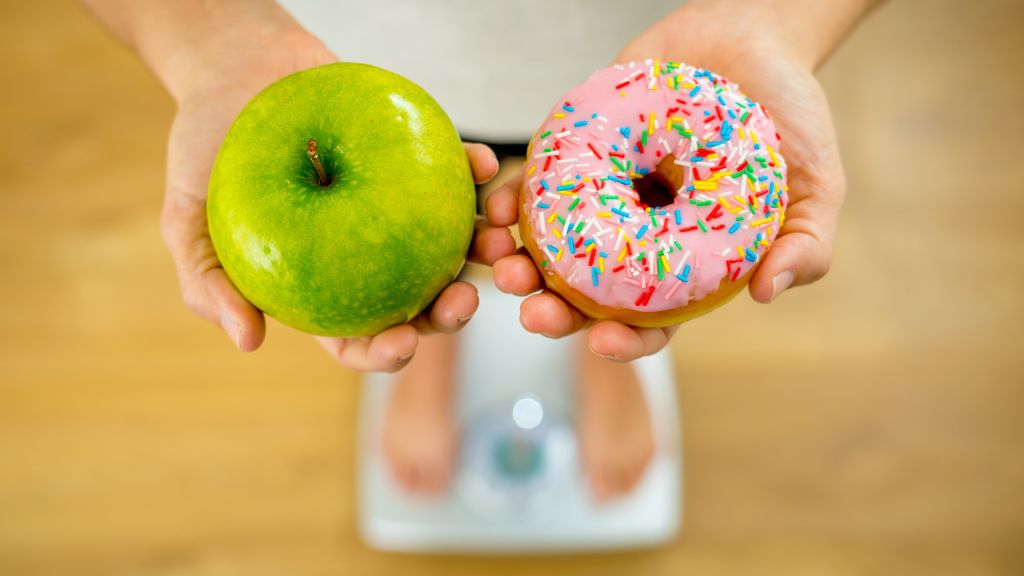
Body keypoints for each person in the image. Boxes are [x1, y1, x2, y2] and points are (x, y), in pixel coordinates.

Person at [84, 0, 880, 500]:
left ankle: (602, 362)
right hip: (349, 64)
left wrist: (775, 19)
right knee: (442, 254)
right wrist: (208, 34)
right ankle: (427, 339)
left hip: (662, 49)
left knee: (576, 279)